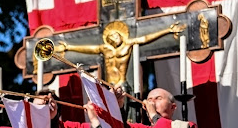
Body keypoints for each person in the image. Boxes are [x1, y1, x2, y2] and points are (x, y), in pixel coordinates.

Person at [55, 21, 186, 86]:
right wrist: (69, 47)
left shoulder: (128, 44)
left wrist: (167, 30)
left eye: (117, 35)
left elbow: (145, 38)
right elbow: (89, 48)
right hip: (107, 84)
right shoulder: (105, 48)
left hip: (123, 84)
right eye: (112, 36)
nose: (115, 37)